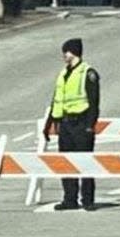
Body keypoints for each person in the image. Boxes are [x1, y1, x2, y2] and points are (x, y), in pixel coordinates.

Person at [43, 38, 100, 211]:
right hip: (65, 124)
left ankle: (88, 200)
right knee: (66, 162)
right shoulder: (63, 74)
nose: (63, 55)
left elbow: (93, 102)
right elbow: (56, 100)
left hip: (81, 123)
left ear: (73, 52)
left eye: (66, 52)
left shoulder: (87, 73)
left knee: (85, 163)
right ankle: (70, 199)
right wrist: (49, 124)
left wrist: (90, 125)